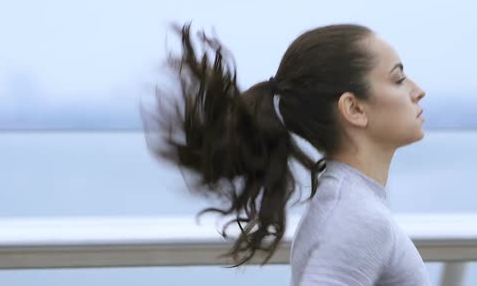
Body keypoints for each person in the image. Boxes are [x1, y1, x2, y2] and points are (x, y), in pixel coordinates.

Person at [143, 23, 430, 285]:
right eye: (398, 79)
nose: (418, 91)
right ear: (354, 109)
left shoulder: (352, 205)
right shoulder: (357, 218)